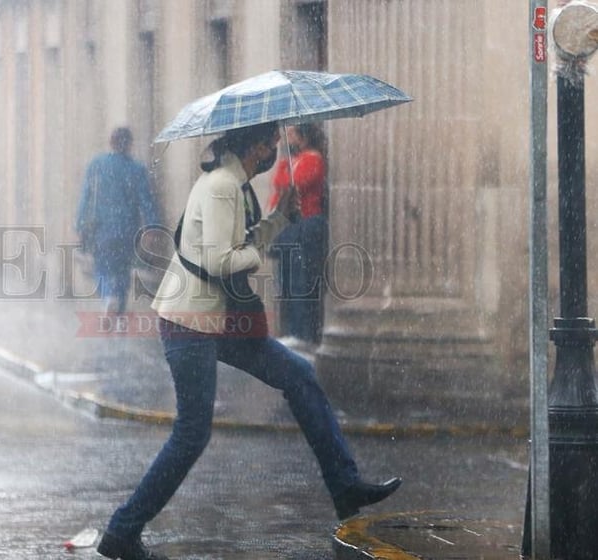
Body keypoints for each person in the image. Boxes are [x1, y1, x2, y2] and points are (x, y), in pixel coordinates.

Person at [97, 122, 401, 560]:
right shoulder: (223, 186)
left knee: (299, 373)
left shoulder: (235, 185)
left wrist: (280, 218)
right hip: (191, 320)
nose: (275, 150)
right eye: (270, 143)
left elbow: (238, 243)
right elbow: (222, 261)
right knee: (191, 433)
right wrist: (259, 251)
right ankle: (121, 532)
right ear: (254, 146)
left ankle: (345, 486)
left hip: (219, 317)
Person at [75, 127, 160, 313]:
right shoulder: (137, 169)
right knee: (122, 272)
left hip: (101, 229)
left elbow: (86, 197)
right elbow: (146, 200)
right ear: (129, 145)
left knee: (102, 267)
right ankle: (119, 311)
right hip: (128, 229)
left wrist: (80, 224)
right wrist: (153, 226)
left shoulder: (96, 165)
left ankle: (107, 297)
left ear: (111, 143)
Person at [268, 123, 328, 344]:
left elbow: (294, 184)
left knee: (301, 281)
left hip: (306, 223)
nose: (288, 138)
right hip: (290, 226)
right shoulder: (292, 161)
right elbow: (280, 183)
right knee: (288, 281)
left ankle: (303, 333)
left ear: (304, 136)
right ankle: (292, 330)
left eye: (292, 133)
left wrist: (285, 173)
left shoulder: (314, 159)